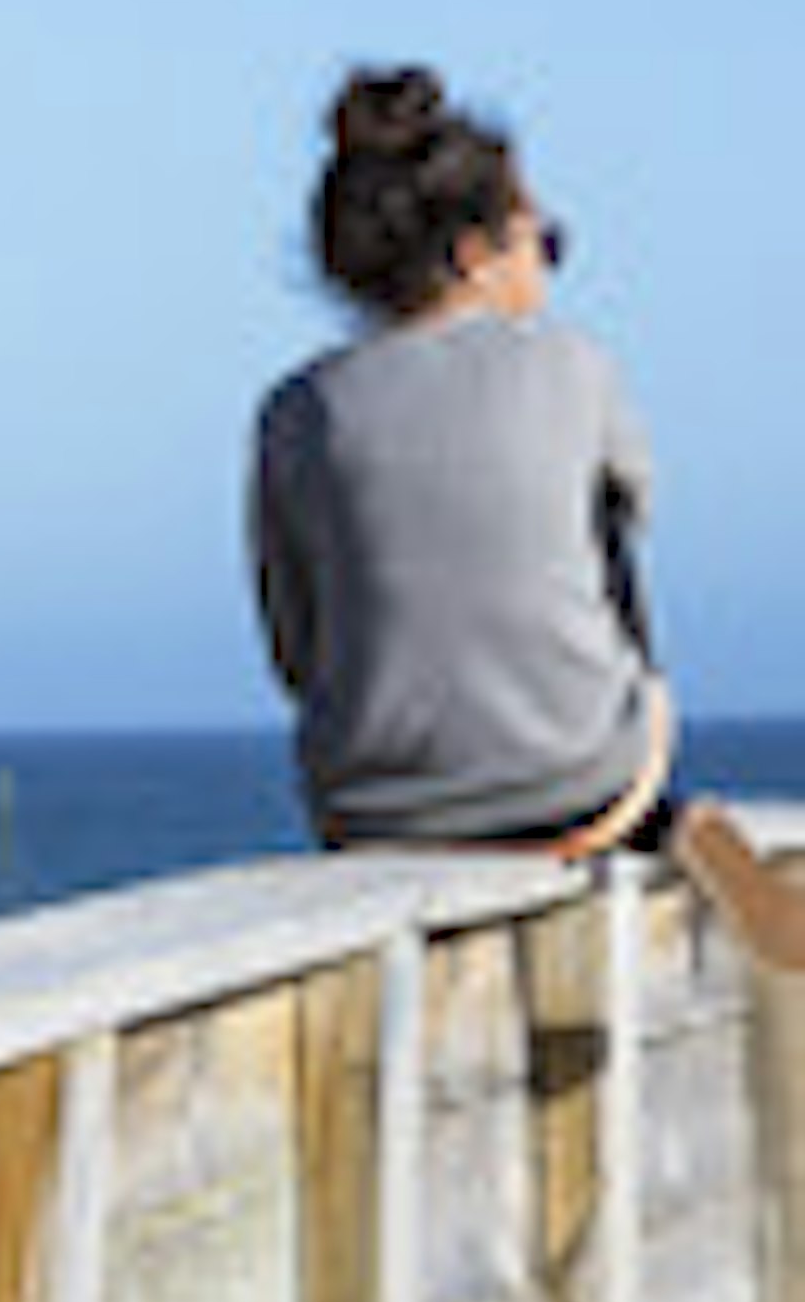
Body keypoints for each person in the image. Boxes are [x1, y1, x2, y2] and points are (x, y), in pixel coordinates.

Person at [250, 63, 805, 964]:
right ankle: (674, 823)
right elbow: (622, 531)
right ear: (474, 255)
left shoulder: (294, 414)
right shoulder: (573, 367)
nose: (547, 263)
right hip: (582, 785)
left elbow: (294, 646)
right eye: (542, 241)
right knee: (599, 547)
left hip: (369, 807)